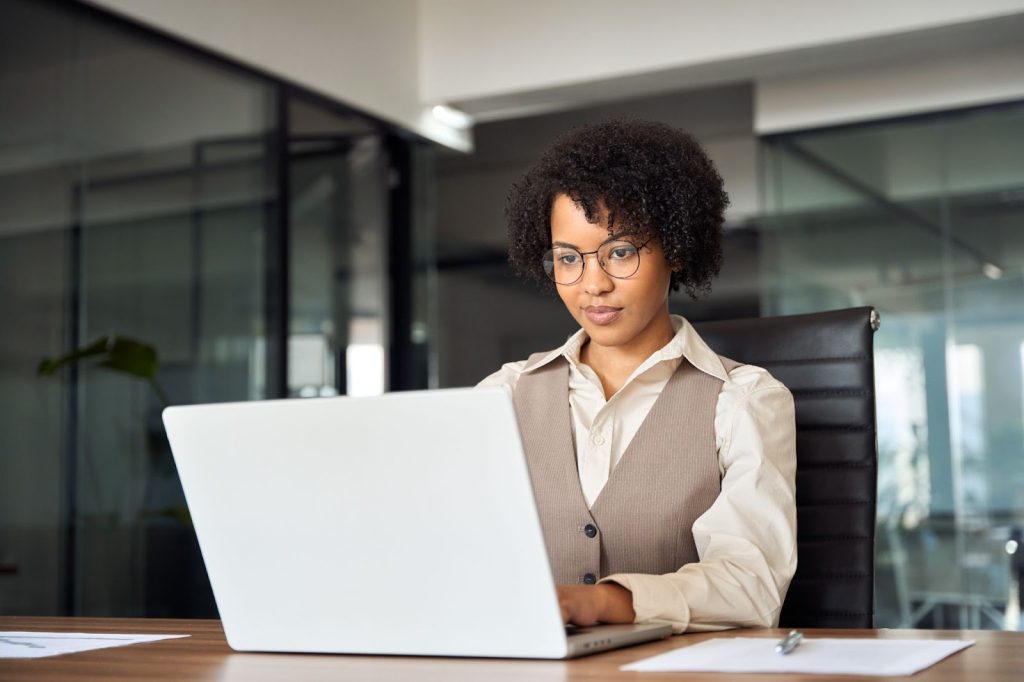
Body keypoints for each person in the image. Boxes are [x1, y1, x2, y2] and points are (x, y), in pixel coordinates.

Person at [477, 118, 797, 634]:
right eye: (567, 259)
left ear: (675, 247)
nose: (593, 284)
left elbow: (751, 584)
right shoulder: (503, 396)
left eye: (620, 252)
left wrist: (607, 602)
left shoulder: (743, 400)